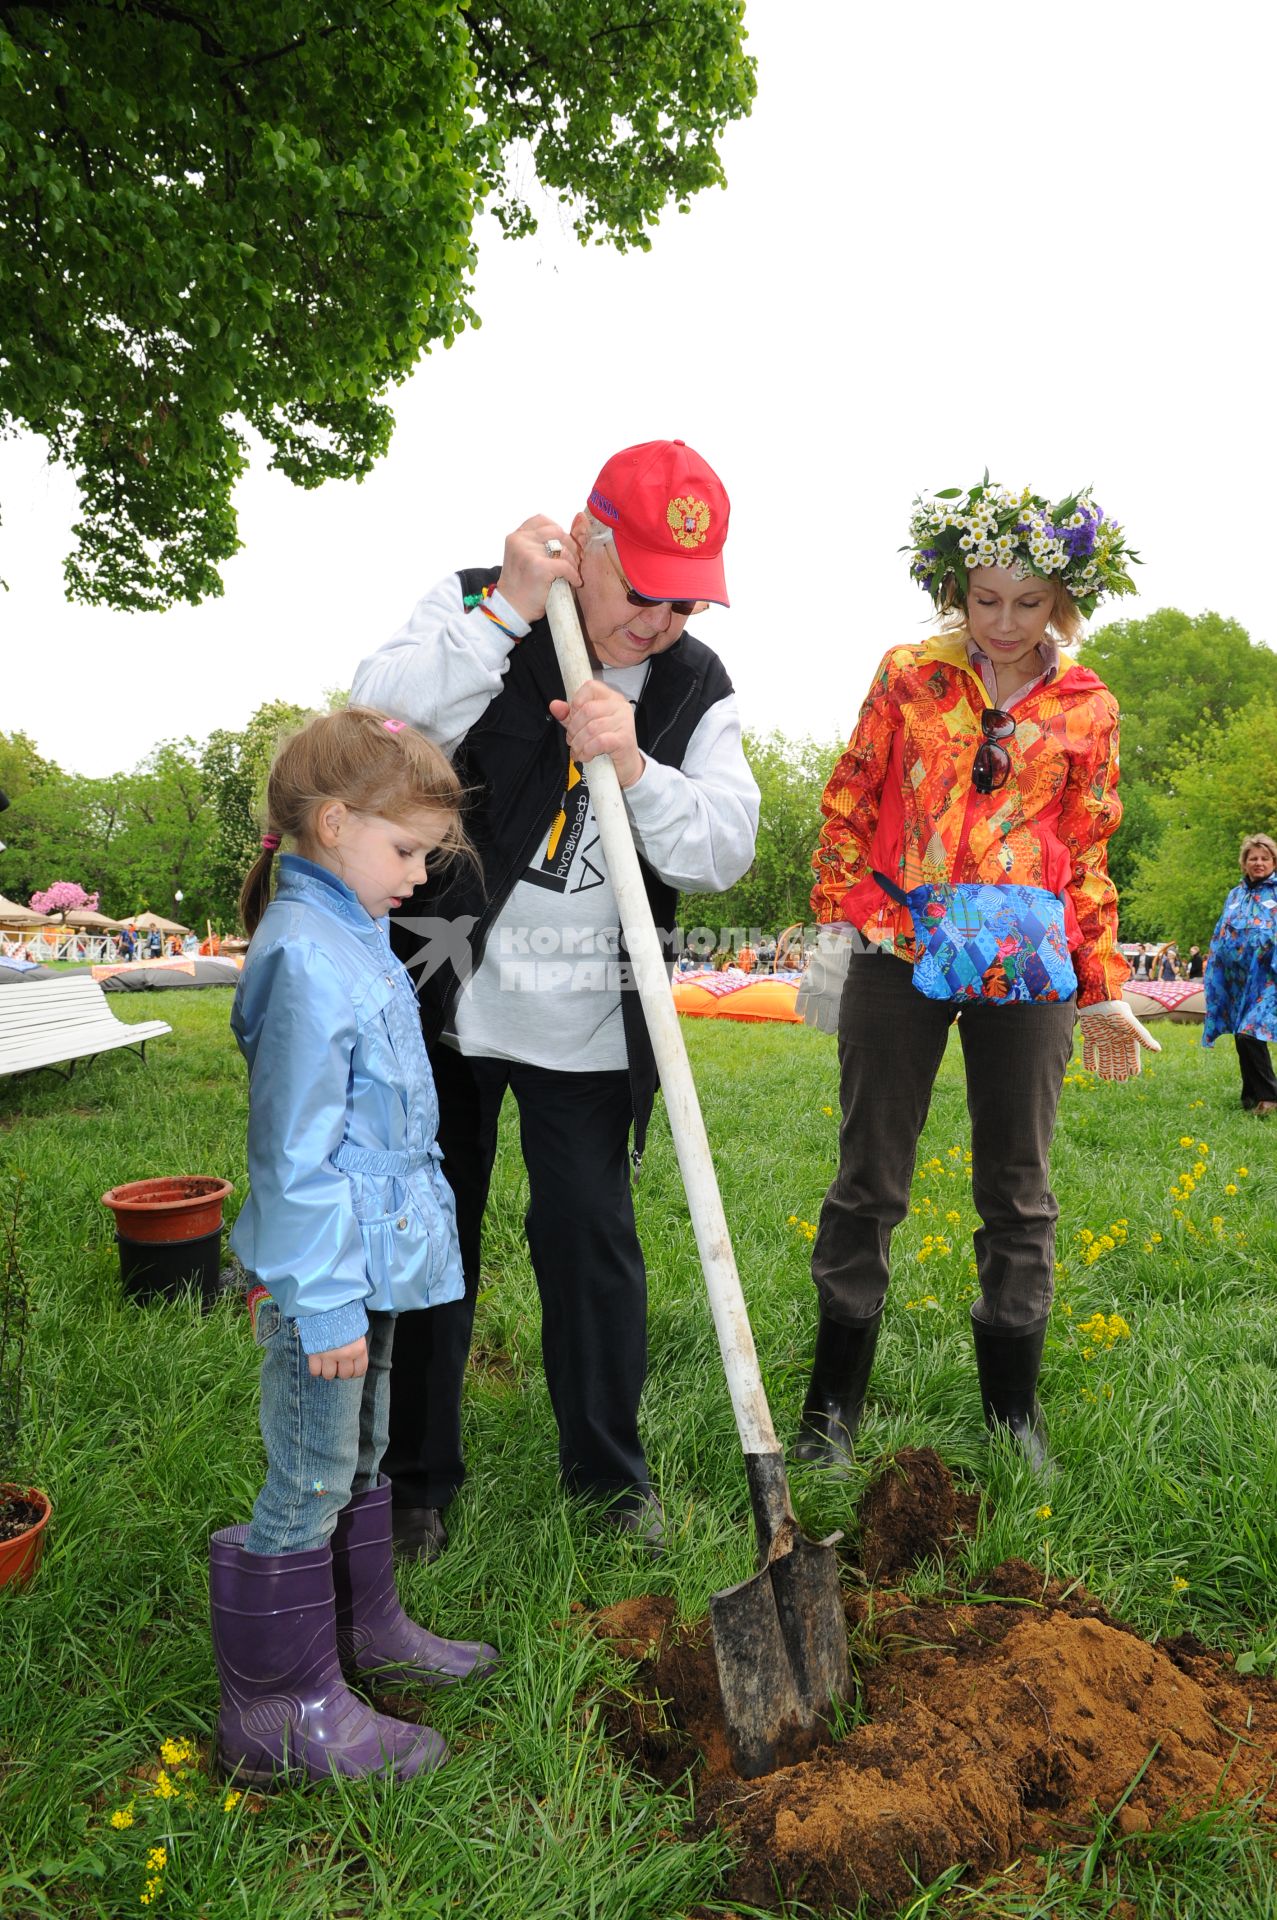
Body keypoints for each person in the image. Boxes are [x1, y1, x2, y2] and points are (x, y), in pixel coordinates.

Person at [352, 439, 759, 1559]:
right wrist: (503, 620)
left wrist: (635, 768)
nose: (660, 622)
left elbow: (724, 845)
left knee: (588, 1237)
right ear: (584, 542)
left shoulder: (692, 686)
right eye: (642, 591)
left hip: (586, 1008)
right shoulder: (480, 604)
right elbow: (377, 725)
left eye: (686, 600)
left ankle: (608, 1476)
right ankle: (418, 1479)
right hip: (443, 980)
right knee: (434, 1232)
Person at [796, 477, 1156, 1477]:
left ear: (1061, 604)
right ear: (956, 589)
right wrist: (872, 919)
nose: (1001, 624)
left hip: (1029, 969)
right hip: (897, 961)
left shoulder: (1087, 707)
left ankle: (1011, 1415)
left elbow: (1084, 854)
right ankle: (829, 1413)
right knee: (867, 1177)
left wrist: (1102, 984)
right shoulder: (907, 675)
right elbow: (845, 806)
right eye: (983, 599)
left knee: (1019, 1188)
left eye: (1027, 603)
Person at [211, 707, 498, 1788]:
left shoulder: (349, 932)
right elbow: (292, 1156)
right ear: (332, 825)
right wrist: (324, 1302)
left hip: (366, 1265)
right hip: (323, 1283)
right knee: (309, 1477)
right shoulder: (304, 958)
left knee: (363, 1450)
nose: (419, 875)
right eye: (406, 849)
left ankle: (362, 1627)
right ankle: (279, 1712)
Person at [1203, 833, 1277, 1115]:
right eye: (1253, 858)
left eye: (1264, 858)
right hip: (1237, 980)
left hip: (1268, 978)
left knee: (1249, 1032)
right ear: (1244, 863)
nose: (1258, 863)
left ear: (1273, 862)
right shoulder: (1236, 894)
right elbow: (1222, 930)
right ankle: (1251, 1097)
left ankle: (1269, 1097)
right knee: (1242, 1034)